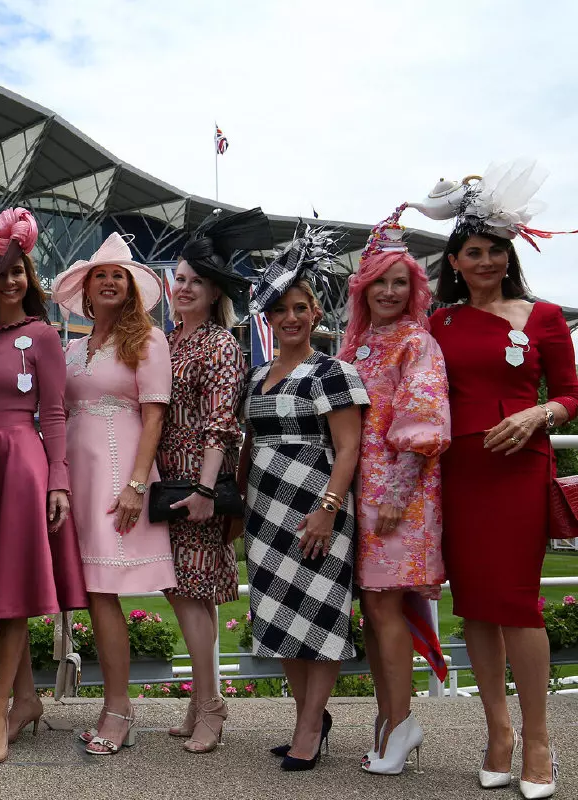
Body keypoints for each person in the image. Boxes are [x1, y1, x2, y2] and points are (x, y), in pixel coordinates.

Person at [412, 162, 578, 799]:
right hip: (457, 471)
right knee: (476, 605)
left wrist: (540, 413)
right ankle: (498, 733)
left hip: (519, 467)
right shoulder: (439, 324)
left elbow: (571, 393)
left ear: (510, 255)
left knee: (517, 603)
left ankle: (539, 740)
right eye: (472, 252)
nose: (485, 261)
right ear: (454, 262)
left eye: (495, 250)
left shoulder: (544, 316)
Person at [241, 228, 369, 772]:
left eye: (300, 308)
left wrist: (327, 509)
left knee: (318, 615)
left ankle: (310, 727)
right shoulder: (255, 377)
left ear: (316, 313)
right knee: (279, 619)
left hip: (318, 509)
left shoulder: (333, 372)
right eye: (280, 310)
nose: (290, 318)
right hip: (264, 512)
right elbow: (248, 445)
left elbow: (349, 447)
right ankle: (308, 717)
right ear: (269, 318)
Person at [0, 208, 86, 765]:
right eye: (1, 273)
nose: (11, 281)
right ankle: (28, 699)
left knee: (11, 594)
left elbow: (55, 413)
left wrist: (58, 481)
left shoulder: (41, 335)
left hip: (21, 465)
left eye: (19, 271)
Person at [51, 231, 175, 756]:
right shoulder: (71, 349)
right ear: (86, 288)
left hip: (118, 474)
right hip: (76, 476)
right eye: (99, 275)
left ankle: (120, 709)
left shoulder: (148, 340)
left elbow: (155, 417)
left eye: (117, 276)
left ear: (130, 288)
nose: (107, 282)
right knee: (88, 591)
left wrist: (136, 485)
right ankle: (113, 706)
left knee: (103, 592)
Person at [338, 207, 450, 775]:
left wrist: (396, 497)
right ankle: (389, 721)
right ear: (363, 286)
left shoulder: (417, 343)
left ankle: (400, 724)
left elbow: (422, 424)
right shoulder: (356, 345)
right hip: (357, 496)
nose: (388, 291)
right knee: (375, 607)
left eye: (399, 282)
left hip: (396, 499)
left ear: (414, 288)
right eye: (379, 281)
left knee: (386, 606)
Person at [157, 208, 271, 753]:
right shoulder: (170, 340)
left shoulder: (220, 343)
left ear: (214, 291)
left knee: (189, 592)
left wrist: (205, 490)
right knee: (186, 592)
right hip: (168, 480)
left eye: (195, 282)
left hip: (197, 481)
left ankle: (211, 705)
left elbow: (222, 422)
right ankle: (200, 700)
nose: (184, 288)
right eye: (179, 279)